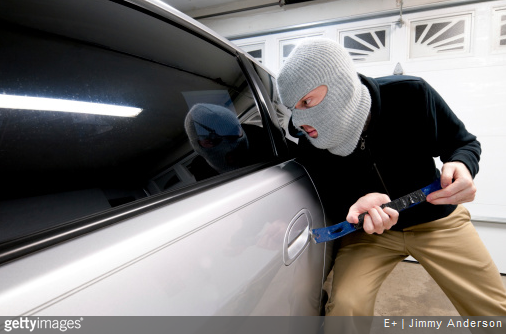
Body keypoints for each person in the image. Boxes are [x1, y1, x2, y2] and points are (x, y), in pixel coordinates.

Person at [276, 37, 506, 318]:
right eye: (293, 107)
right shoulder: (308, 141)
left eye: (307, 101)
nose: (299, 121)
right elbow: (324, 198)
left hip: (437, 221)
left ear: (338, 83)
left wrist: (462, 165)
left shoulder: (411, 94)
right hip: (370, 233)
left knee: (495, 312)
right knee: (345, 308)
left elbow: (464, 143)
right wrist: (353, 208)